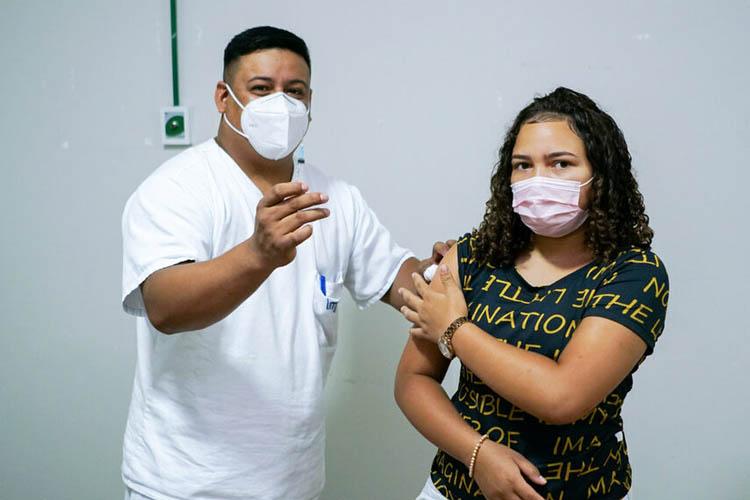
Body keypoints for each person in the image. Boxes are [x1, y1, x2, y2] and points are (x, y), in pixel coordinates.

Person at [120, 26, 449, 500]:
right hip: (185, 482)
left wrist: (444, 271)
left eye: (294, 92)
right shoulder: (178, 189)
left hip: (293, 481)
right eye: (261, 88)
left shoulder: (336, 198)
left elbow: (400, 281)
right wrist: (258, 255)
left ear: (310, 103)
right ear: (224, 97)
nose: (281, 104)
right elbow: (165, 309)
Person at [396, 87, 669, 500]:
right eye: (523, 165)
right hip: (454, 489)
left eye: (561, 163)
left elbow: (562, 397)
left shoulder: (633, 275)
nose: (538, 179)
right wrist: (477, 455)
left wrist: (454, 328)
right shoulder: (472, 256)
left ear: (600, 176)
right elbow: (413, 379)